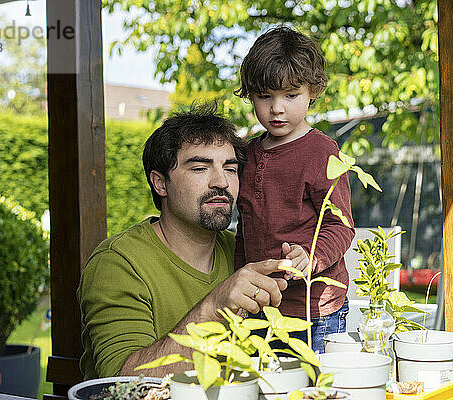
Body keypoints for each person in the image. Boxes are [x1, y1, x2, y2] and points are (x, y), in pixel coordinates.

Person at [77, 102, 290, 379]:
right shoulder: (118, 263)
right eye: (200, 168)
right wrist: (214, 308)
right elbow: (123, 382)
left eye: (230, 169)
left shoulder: (243, 249)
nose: (221, 182)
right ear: (160, 183)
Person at [234, 26, 355, 353]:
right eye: (265, 96)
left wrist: (310, 256)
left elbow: (341, 226)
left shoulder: (323, 153)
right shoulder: (246, 154)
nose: (277, 108)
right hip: (259, 308)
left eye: (290, 95)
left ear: (312, 91)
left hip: (313, 311)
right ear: (250, 94)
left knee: (313, 387)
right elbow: (243, 232)